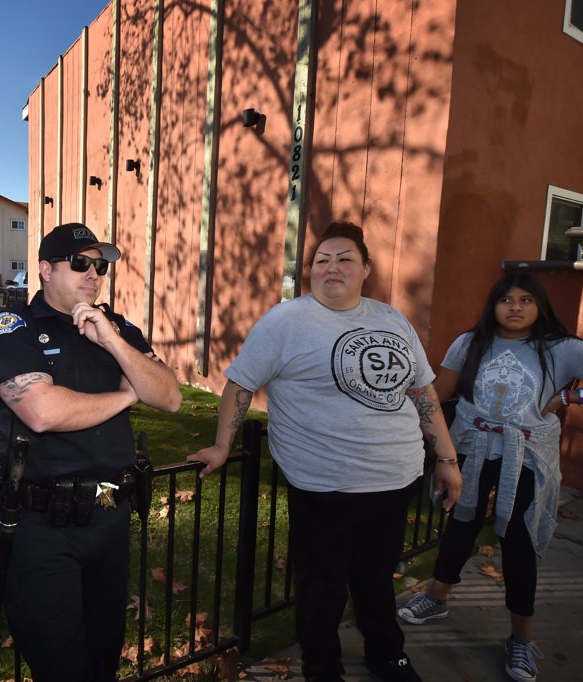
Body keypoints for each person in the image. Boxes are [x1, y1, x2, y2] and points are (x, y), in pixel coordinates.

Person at [189, 221, 462, 682]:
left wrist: (448, 459)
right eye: (322, 260)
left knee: (376, 580)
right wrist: (221, 445)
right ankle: (322, 667)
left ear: (366, 269)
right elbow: (241, 382)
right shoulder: (285, 321)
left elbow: (423, 393)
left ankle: (387, 654)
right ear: (309, 271)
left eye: (344, 259)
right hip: (325, 487)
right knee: (322, 587)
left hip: (395, 481)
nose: (331, 267)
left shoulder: (392, 319)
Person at [0, 222, 182, 682]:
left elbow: (169, 395)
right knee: (61, 665)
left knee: (104, 653)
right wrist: (129, 395)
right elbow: (44, 411)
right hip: (39, 529)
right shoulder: (13, 330)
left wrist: (112, 341)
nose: (94, 274)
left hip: (109, 517)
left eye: (100, 265)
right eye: (80, 263)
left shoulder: (116, 327)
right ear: (46, 270)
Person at [397, 271, 583, 682]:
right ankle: (437, 596)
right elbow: (439, 392)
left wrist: (576, 395)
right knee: (461, 522)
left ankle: (520, 637)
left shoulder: (562, 349)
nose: (515, 308)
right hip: (470, 446)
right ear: (493, 305)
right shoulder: (470, 343)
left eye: (526, 300)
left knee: (518, 537)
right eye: (506, 300)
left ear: (540, 307)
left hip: (528, 454)